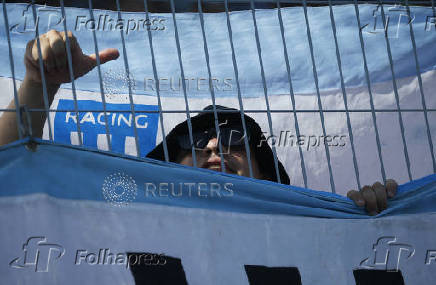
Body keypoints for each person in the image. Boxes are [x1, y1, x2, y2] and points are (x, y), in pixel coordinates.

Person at [0, 30, 397, 215]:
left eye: (235, 138)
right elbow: (8, 181)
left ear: (268, 177)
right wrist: (40, 84)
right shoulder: (120, 220)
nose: (213, 146)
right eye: (193, 140)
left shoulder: (314, 235)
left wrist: (374, 227)